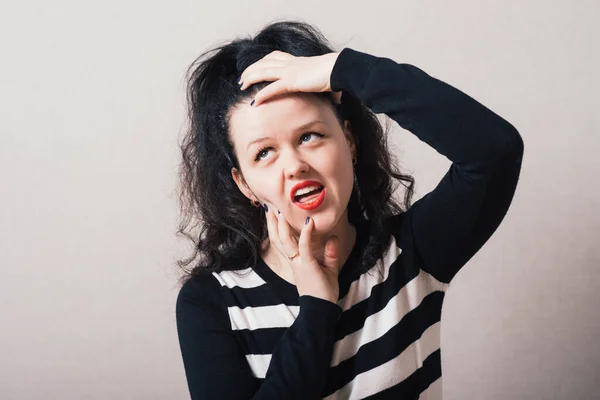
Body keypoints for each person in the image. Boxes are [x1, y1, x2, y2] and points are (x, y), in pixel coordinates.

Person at [175, 20, 524, 400]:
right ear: (245, 185)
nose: (294, 165)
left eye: (310, 136)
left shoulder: (411, 255)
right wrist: (316, 310)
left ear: (350, 142)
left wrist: (343, 69)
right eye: (264, 153)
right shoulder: (211, 303)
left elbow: (494, 149)